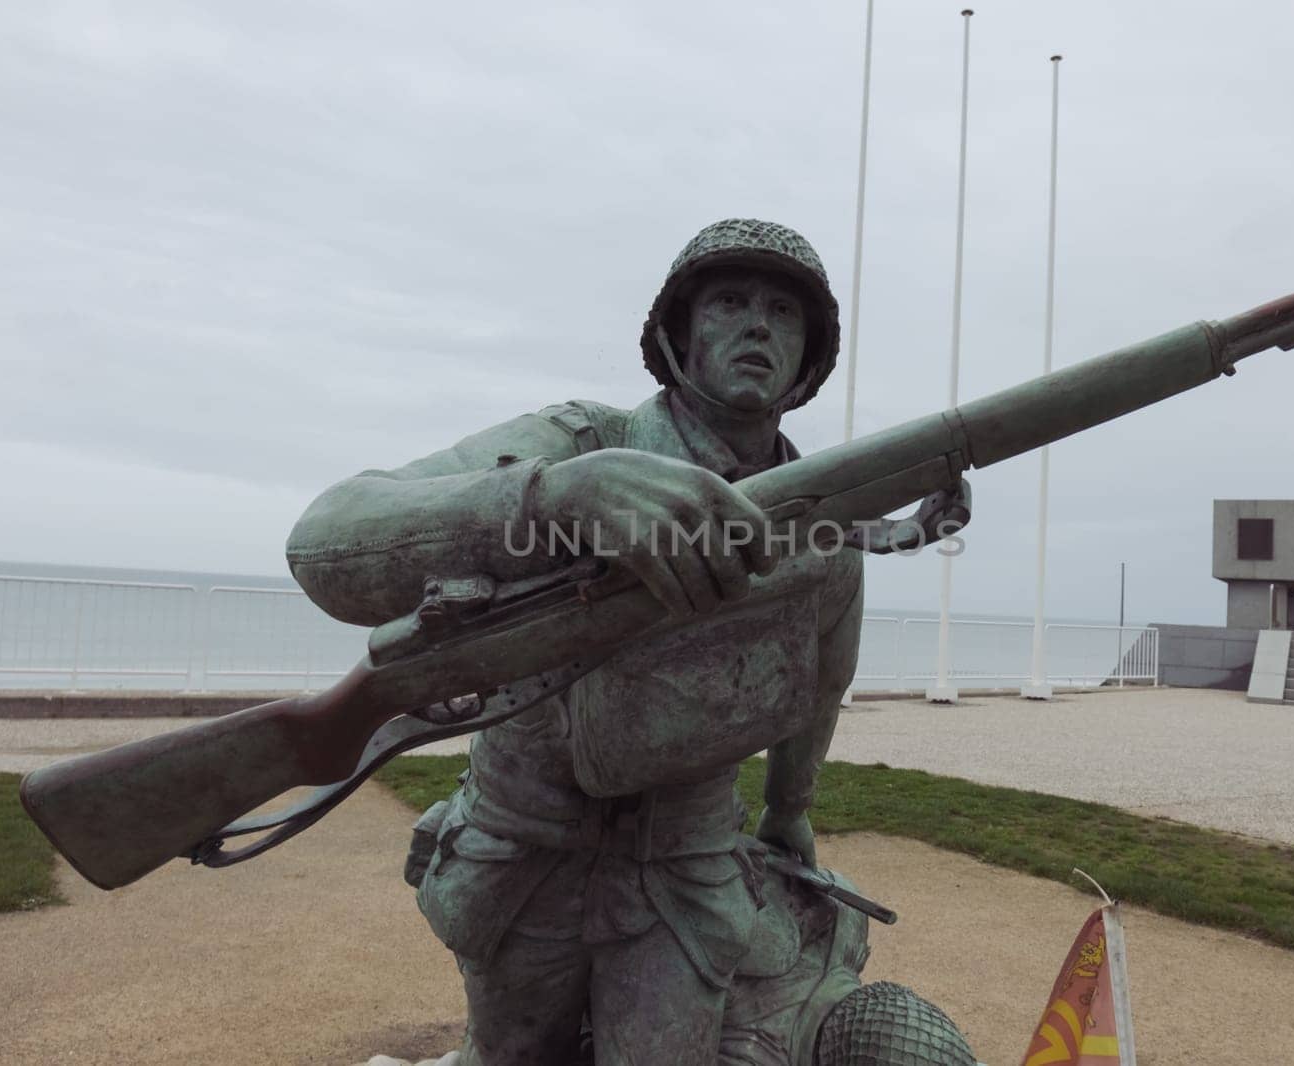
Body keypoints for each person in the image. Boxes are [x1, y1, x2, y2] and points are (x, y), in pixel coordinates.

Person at [288, 219, 864, 1065]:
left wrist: (789, 809)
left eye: (783, 311)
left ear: (809, 352)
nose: (756, 326)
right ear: (678, 333)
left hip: (684, 866)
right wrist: (552, 497)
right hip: (523, 851)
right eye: (730, 302)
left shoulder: (821, 517)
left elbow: (822, 674)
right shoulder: (583, 443)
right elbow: (326, 539)